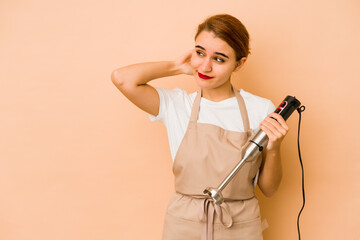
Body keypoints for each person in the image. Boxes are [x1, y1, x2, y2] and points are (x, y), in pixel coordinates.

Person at [111, 14, 288, 240]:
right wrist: (176, 66)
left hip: (240, 223)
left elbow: (269, 189)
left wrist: (274, 149)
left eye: (220, 59)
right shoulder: (176, 105)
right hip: (184, 223)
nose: (205, 66)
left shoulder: (261, 109)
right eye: (200, 52)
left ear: (239, 64)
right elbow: (122, 78)